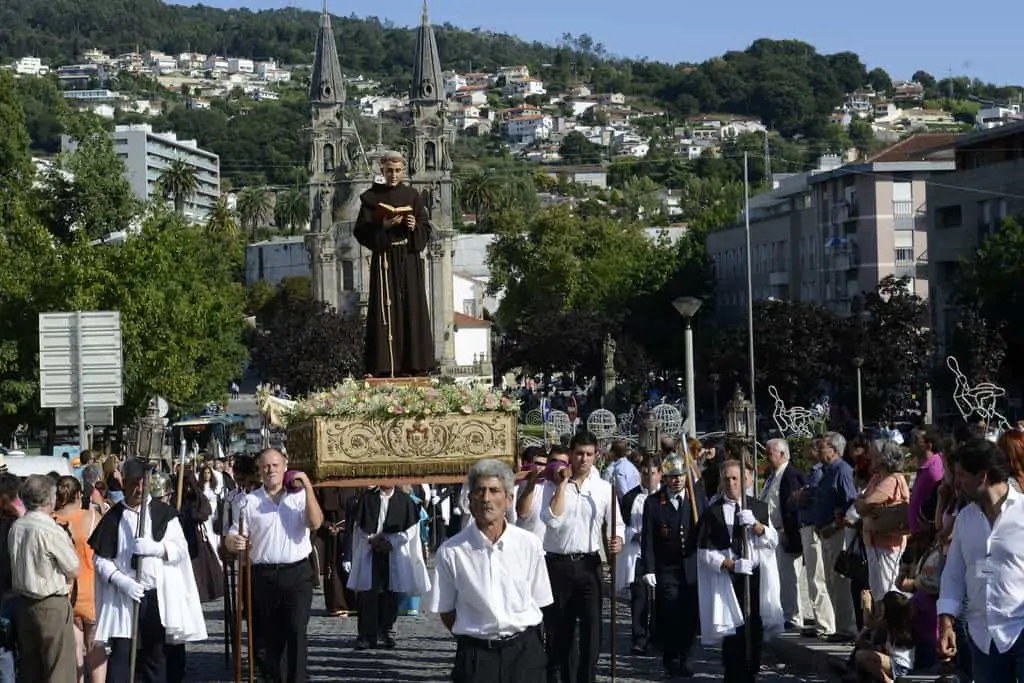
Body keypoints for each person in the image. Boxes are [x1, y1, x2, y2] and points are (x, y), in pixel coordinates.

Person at [433, 459, 551, 682]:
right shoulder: (451, 551)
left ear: (508, 499)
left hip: (524, 654)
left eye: (494, 490)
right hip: (476, 656)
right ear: (470, 500)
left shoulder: (529, 544)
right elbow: (447, 611)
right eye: (479, 491)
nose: (486, 498)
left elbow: (540, 600)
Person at [89, 460, 207, 683]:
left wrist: (158, 548)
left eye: (143, 483)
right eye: (134, 483)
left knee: (156, 658)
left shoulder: (163, 513)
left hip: (156, 596)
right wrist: (121, 581)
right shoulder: (114, 516)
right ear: (124, 484)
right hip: (124, 597)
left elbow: (181, 550)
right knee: (122, 659)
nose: (139, 489)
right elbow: (101, 559)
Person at [225, 449, 323, 683]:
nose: (271, 470)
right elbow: (232, 536)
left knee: (297, 630)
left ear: (285, 466)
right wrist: (233, 542)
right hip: (264, 575)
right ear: (259, 470)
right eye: (266, 466)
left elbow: (316, 522)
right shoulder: (248, 501)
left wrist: (307, 487)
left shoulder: (299, 497)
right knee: (271, 637)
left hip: (297, 573)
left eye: (275, 465)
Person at [540, 431, 624, 683]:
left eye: (589, 454)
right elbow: (551, 520)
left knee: (592, 629)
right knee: (561, 631)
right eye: (579, 454)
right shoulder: (551, 486)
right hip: (558, 565)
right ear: (570, 455)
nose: (584, 459)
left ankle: (587, 678)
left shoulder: (603, 489)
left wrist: (617, 538)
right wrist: (563, 485)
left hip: (589, 565)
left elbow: (617, 524)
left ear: (596, 456)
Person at [938, 438, 1024, 682]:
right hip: (982, 637)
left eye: (961, 475)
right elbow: (953, 574)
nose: (957, 482)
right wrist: (946, 623)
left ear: (982, 476)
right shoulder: (965, 519)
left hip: (1020, 628)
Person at [697, 459, 785, 683]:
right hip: (729, 578)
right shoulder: (713, 513)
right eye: (726, 478)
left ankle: (751, 669)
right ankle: (733, 673)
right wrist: (730, 564)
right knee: (732, 628)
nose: (731, 483)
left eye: (735, 478)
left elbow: (773, 540)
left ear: (744, 480)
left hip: (755, 576)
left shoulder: (758, 507)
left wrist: (757, 526)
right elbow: (704, 553)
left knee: (753, 624)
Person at [353, 150, 434, 377]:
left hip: (408, 260)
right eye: (390, 171)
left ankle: (414, 365)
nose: (394, 175)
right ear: (382, 169)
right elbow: (361, 232)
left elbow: (425, 229)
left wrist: (413, 225)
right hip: (385, 260)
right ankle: (385, 366)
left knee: (412, 308)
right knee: (385, 310)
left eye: (398, 171)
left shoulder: (413, 196)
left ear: (404, 170)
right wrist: (385, 227)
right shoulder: (370, 198)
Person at [639, 454, 706, 675]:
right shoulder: (654, 503)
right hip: (667, 567)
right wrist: (648, 568)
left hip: (691, 565)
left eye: (680, 476)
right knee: (669, 611)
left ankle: (687, 656)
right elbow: (647, 538)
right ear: (665, 479)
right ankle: (671, 654)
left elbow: (706, 527)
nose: (676, 480)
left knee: (689, 613)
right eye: (671, 477)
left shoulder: (695, 498)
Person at [9, 475, 80, 683]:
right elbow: (74, 568)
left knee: (30, 670)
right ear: (50, 499)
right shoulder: (50, 529)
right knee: (59, 670)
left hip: (23, 604)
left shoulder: (17, 526)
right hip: (50, 604)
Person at [347, 483, 430, 650]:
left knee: (391, 593)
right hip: (371, 551)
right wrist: (372, 539)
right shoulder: (367, 498)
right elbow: (359, 526)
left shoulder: (405, 501)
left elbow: (411, 529)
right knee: (368, 593)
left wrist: (391, 542)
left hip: (394, 553)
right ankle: (366, 634)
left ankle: (387, 631)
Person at [54, 476, 107, 683]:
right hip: (92, 589)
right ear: (79, 495)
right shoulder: (92, 517)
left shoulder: (52, 520)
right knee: (95, 645)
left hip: (67, 591)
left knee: (74, 647)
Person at [762, 438, 809, 629]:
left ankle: (794, 616)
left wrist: (789, 532)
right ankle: (785, 612)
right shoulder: (773, 476)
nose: (766, 457)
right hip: (772, 534)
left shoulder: (791, 475)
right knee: (779, 577)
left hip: (785, 533)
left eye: (770, 453)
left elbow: (793, 507)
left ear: (782, 454)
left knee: (789, 577)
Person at [621, 453, 661, 655]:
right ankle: (639, 637)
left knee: (660, 598)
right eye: (645, 473)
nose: (649, 478)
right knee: (640, 597)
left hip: (661, 555)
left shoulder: (665, 496)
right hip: (638, 554)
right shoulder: (631, 498)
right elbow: (621, 526)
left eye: (653, 473)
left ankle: (658, 636)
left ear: (660, 474)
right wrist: (632, 535)